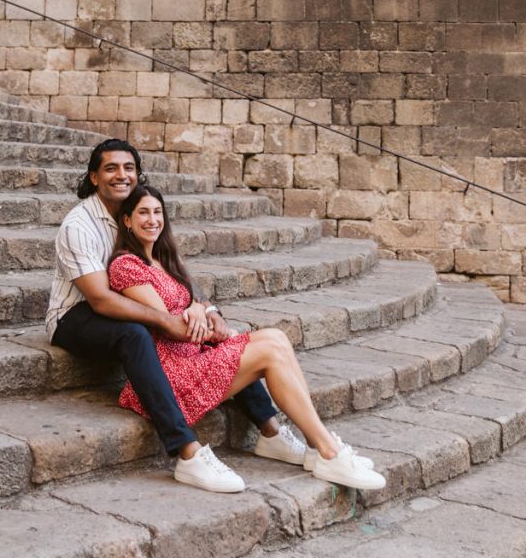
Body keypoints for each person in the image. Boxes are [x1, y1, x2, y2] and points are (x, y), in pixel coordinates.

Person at [46, 138, 315, 492]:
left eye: (128, 168)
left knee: (204, 330)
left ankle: (270, 429)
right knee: (135, 335)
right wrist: (166, 320)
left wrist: (205, 309)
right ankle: (186, 450)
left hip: (125, 299)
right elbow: (100, 300)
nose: (120, 175)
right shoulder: (79, 225)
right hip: (75, 314)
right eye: (110, 168)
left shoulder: (140, 214)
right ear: (94, 177)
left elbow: (173, 273)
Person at [109, 183, 387, 494]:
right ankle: (328, 453)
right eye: (143, 213)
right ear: (127, 221)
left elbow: (193, 307)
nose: (152, 220)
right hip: (171, 371)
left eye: (158, 212)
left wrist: (200, 308)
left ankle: (316, 445)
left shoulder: (164, 258)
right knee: (269, 350)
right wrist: (198, 312)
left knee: (277, 338)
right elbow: (170, 324)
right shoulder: (126, 266)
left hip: (193, 356)